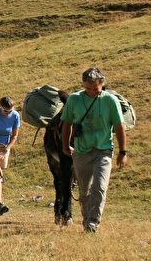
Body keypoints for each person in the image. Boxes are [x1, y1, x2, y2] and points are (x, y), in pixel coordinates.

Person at [61, 67, 128, 233]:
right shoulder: (74, 100)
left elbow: (119, 127)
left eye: (95, 89)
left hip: (103, 150)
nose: (91, 92)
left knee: (99, 187)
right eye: (88, 89)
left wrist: (123, 152)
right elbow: (67, 124)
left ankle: (92, 222)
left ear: (102, 85)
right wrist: (65, 146)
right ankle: (86, 219)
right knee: (85, 191)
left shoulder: (110, 101)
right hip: (81, 151)